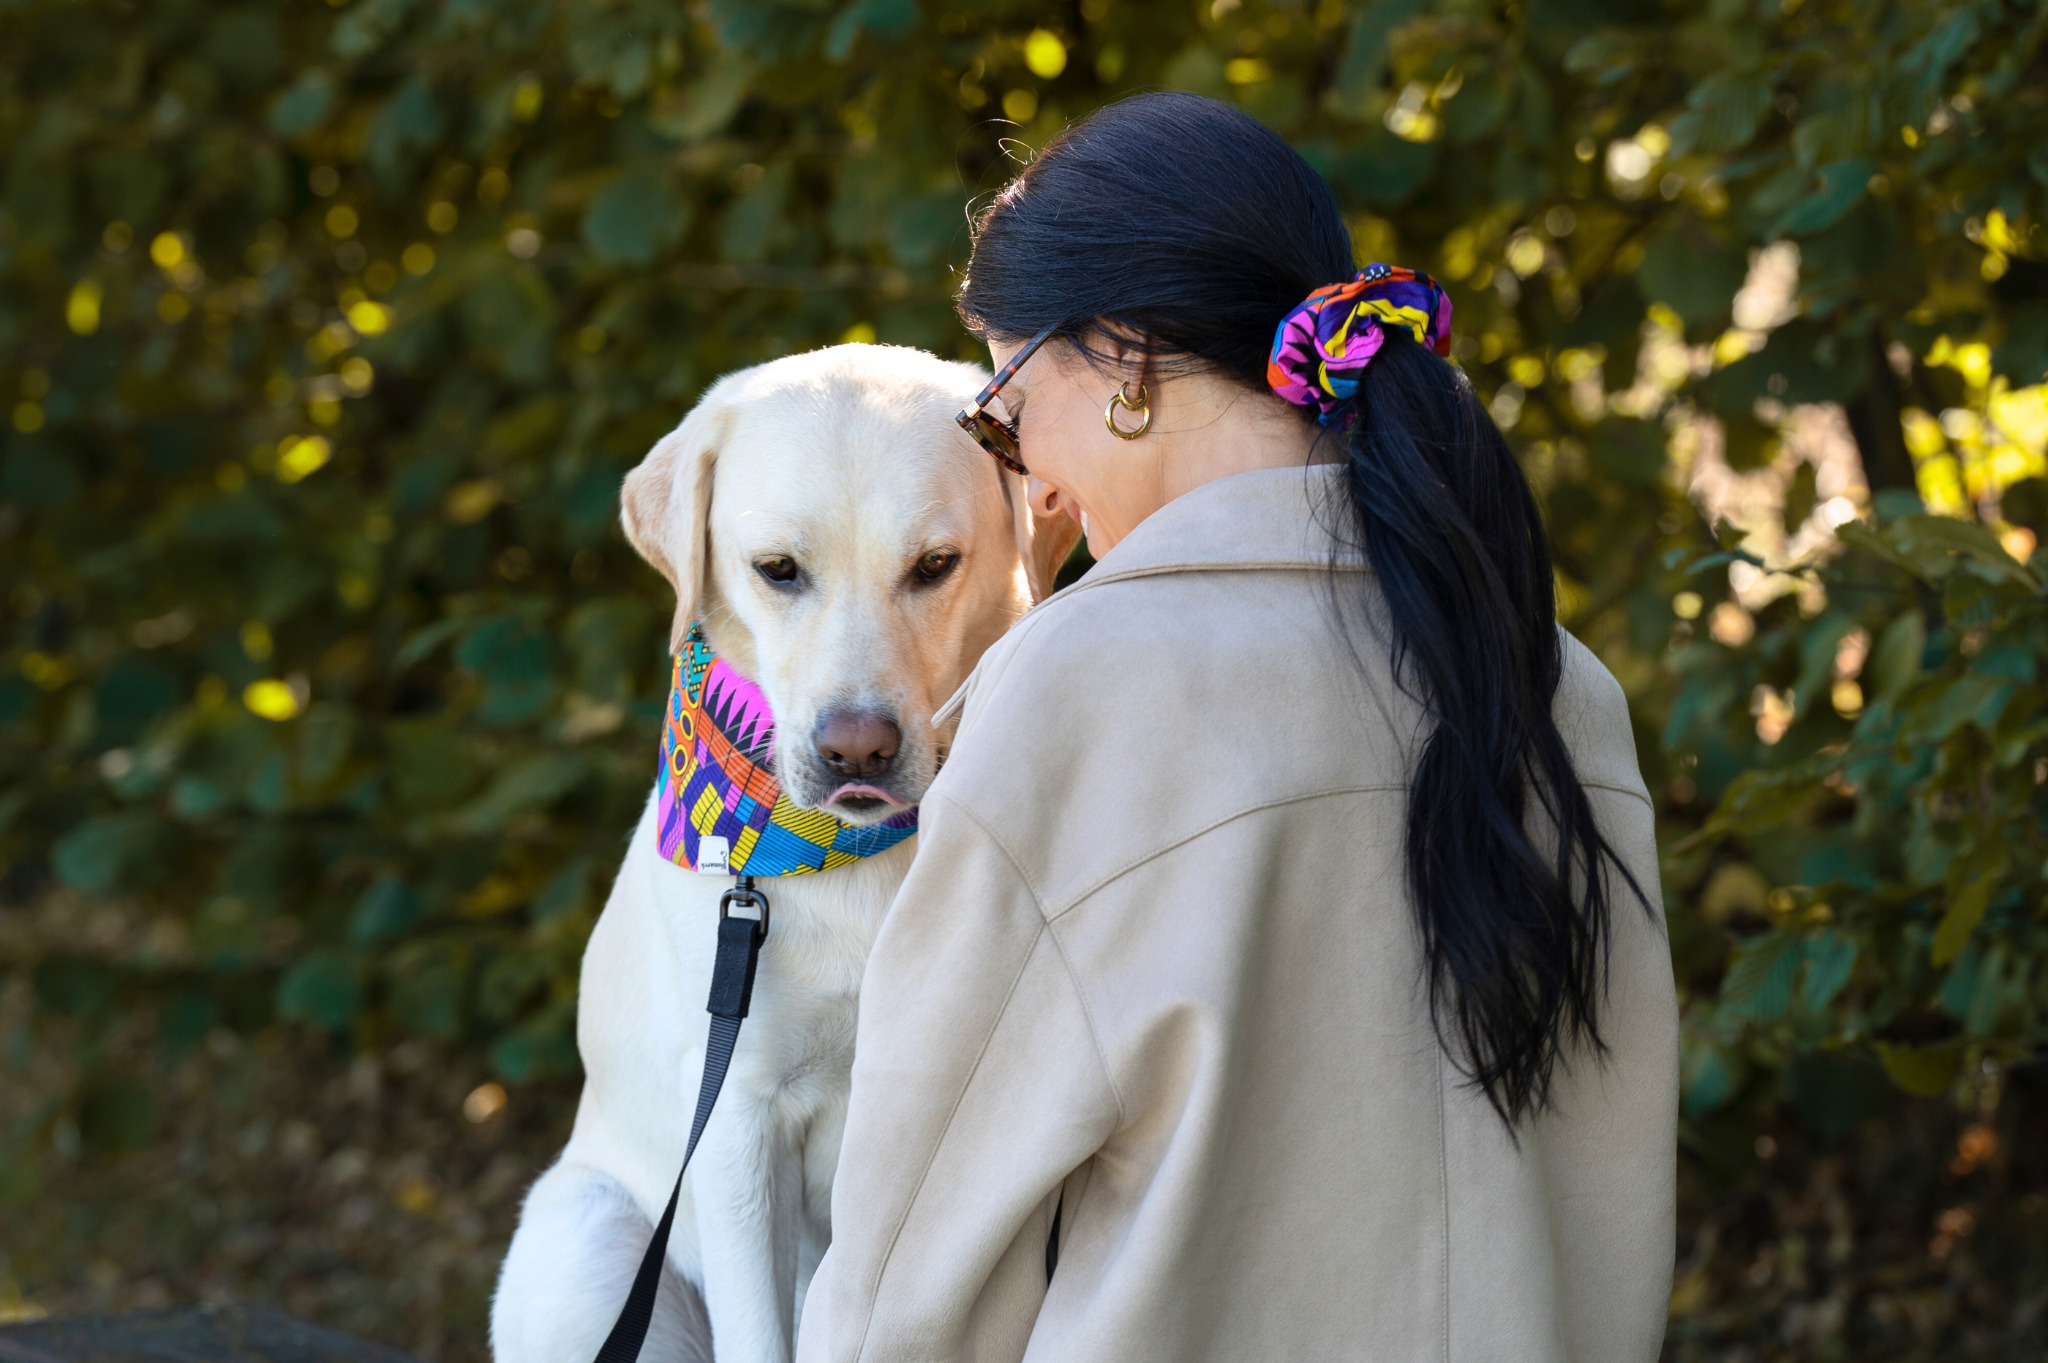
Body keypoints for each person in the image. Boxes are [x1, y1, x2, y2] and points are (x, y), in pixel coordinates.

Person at [795, 90, 1677, 1363]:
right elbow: (1605, 1199)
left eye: (1007, 408)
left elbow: (910, 1282)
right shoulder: (1549, 679)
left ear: (1125, 359)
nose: (1032, 483)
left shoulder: (1080, 693)